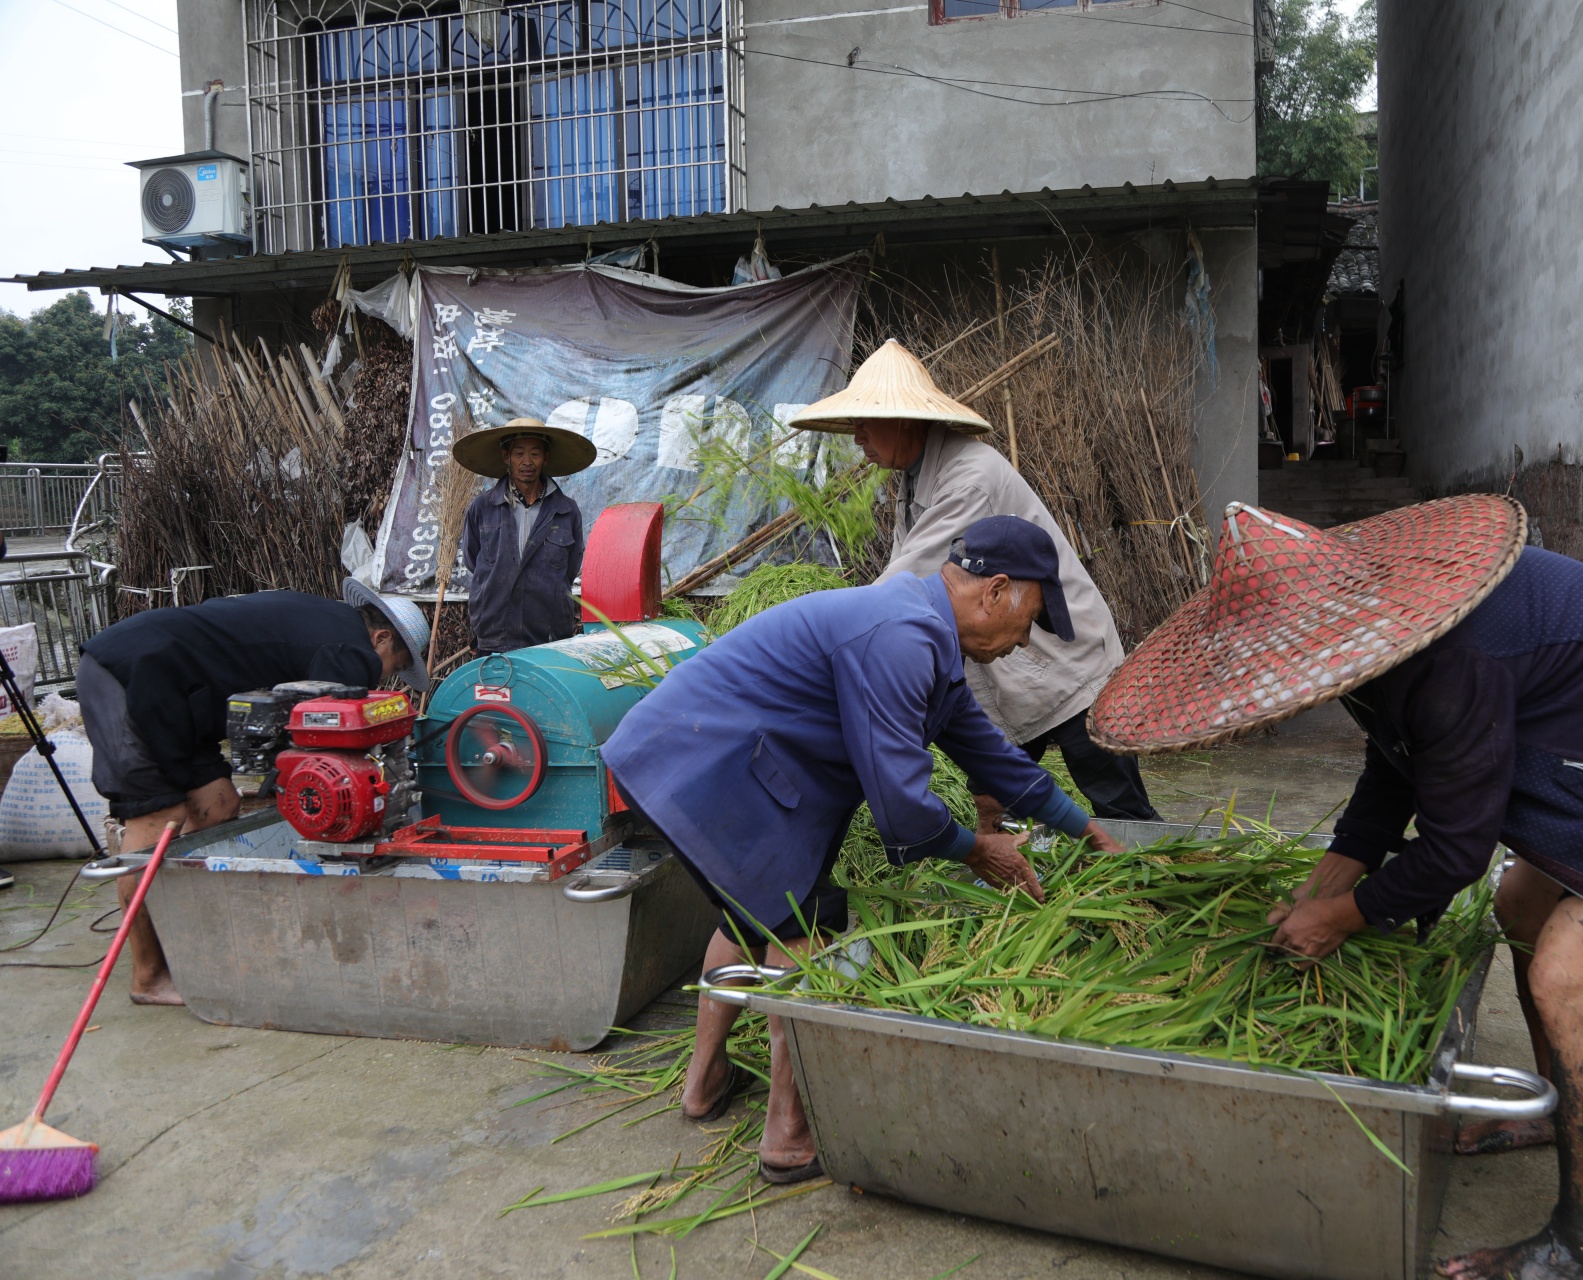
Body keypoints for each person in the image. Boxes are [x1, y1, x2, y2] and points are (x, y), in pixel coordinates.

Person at [1088, 498, 1583, 1280]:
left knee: (1568, 980)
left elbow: (1455, 851)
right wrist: (1322, 886)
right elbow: (1396, 765)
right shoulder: (1377, 638)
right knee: (1519, 907)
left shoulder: (1454, 658)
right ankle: (1550, 1109)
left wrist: (1341, 918)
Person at [603, 514, 1125, 1183]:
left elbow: (994, 759)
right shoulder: (902, 637)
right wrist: (977, 852)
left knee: (748, 915)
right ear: (995, 592)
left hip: (704, 768)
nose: (1023, 643)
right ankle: (789, 1136)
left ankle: (704, 1083)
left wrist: (1086, 828)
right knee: (808, 918)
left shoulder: (925, 638)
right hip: (706, 770)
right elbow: (902, 807)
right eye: (1028, 622)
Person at [790, 339, 1160, 831]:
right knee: (994, 796)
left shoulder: (969, 478)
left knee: (1118, 806)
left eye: (865, 420)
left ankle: (1152, 888)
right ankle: (1008, 885)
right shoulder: (916, 476)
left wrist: (823, 628)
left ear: (903, 421)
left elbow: (905, 584)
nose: (857, 435)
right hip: (1003, 660)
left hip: (1060, 658)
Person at [75, 584, 430, 1006]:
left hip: (177, 689)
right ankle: (148, 975)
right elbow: (324, 748)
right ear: (382, 638)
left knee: (218, 806)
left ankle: (184, 941)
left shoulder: (328, 621)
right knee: (157, 820)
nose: (381, 676)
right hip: (134, 673)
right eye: (391, 667)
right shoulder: (351, 650)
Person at [454, 417, 592, 656]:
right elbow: (472, 561)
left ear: (546, 458)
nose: (527, 462)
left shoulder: (566, 510)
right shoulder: (482, 508)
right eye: (519, 453)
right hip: (494, 633)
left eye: (535, 454)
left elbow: (570, 569)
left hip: (549, 635)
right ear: (506, 456)